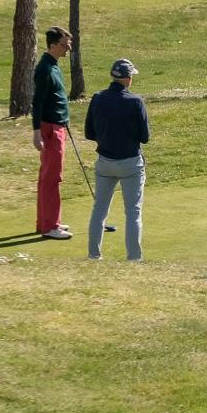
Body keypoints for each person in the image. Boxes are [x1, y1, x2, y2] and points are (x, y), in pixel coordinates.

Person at [84, 58, 150, 261]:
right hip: (130, 163)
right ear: (128, 79)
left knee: (100, 209)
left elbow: (89, 132)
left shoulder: (97, 98)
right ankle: (134, 258)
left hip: (105, 162)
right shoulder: (135, 101)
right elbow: (145, 137)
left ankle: (94, 255)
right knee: (133, 212)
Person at [32, 26, 73, 239]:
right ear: (54, 45)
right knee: (52, 178)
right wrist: (37, 132)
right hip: (49, 128)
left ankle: (46, 222)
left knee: (47, 176)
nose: (68, 48)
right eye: (65, 45)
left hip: (57, 125)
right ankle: (50, 227)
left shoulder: (54, 65)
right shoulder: (45, 68)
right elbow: (37, 102)